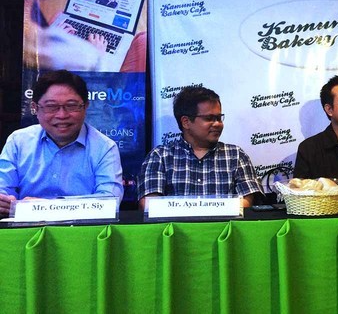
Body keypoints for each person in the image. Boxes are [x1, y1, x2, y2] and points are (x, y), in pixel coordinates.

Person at [0, 70, 124, 217]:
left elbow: (109, 202)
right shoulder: (18, 141)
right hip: (24, 231)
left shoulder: (104, 147)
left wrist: (47, 208)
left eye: (71, 106)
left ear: (85, 106)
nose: (62, 115)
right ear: (35, 108)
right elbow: (3, 190)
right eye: (51, 107)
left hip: (82, 232)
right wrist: (5, 202)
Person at [138, 86, 262, 208]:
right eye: (209, 118)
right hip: (176, 228)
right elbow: (149, 205)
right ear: (186, 122)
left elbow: (247, 202)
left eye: (219, 118)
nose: (217, 124)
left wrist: (204, 210)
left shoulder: (236, 155)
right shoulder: (160, 156)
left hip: (224, 228)